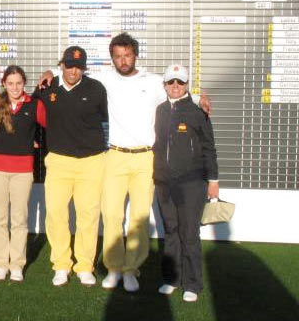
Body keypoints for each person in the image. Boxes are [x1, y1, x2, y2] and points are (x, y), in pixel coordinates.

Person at [37, 33, 210, 291]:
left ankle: (131, 269)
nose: (123, 60)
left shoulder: (152, 81)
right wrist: (51, 70)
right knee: (111, 215)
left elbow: (176, 92)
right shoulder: (103, 79)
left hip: (144, 158)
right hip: (114, 156)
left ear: (135, 55)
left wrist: (198, 99)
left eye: (127, 54)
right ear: (112, 59)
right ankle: (114, 268)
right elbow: (72, 71)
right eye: (118, 56)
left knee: (138, 218)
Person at [33, 46, 108, 287]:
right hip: (58, 160)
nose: (73, 70)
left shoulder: (96, 89)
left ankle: (85, 265)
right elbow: (27, 108)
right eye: (68, 65)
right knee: (56, 214)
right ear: (61, 65)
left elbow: (108, 119)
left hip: (92, 161)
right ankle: (62, 264)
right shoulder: (48, 87)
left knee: (88, 215)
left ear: (84, 68)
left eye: (78, 66)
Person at [153, 64, 219, 303]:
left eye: (179, 82)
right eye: (171, 82)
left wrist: (213, 179)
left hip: (192, 183)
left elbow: (209, 147)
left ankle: (192, 283)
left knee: (189, 233)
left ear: (187, 85)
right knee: (171, 230)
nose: (175, 86)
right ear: (165, 85)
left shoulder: (197, 111)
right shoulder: (160, 110)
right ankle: (171, 279)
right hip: (164, 182)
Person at [0, 65, 46, 282]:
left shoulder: (35, 105)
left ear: (25, 83)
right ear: (3, 84)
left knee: (19, 219)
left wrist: (38, 142)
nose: (14, 87)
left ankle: (17, 264)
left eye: (19, 83)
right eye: (10, 83)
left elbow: (51, 125)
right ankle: (1, 264)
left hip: (22, 170)